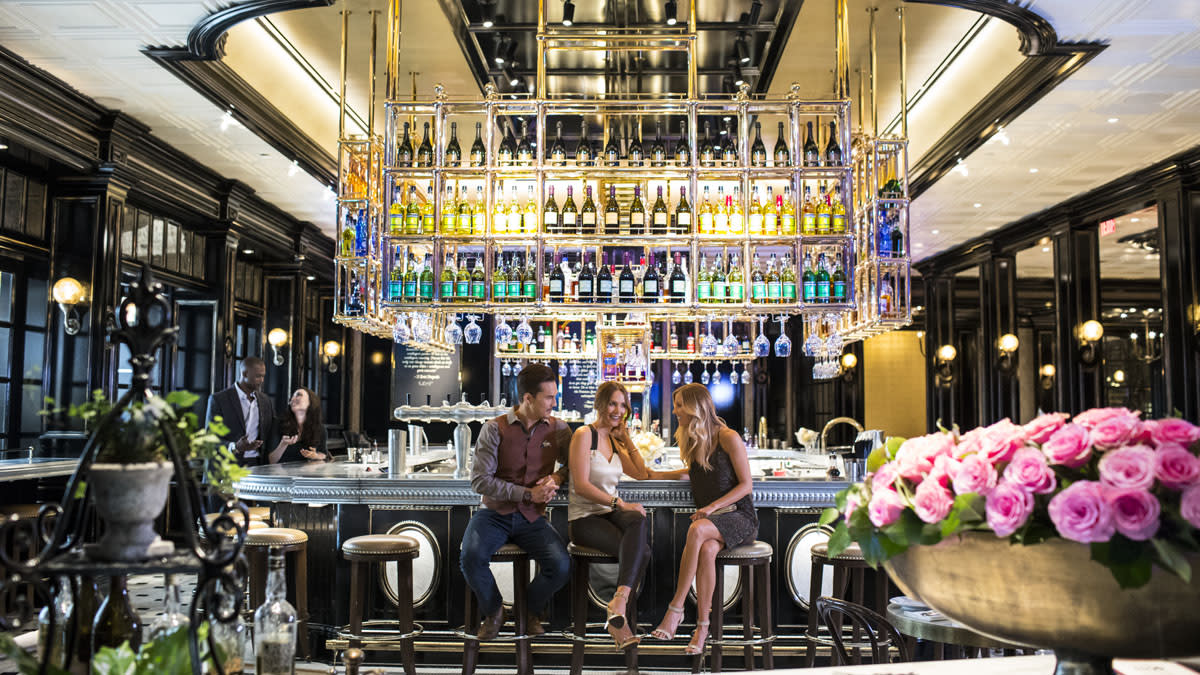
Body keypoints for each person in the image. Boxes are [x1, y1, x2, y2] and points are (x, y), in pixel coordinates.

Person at [568, 381, 688, 649]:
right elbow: (582, 484)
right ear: (600, 403)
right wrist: (620, 503)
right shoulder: (585, 435)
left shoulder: (613, 439)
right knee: (641, 551)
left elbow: (641, 473)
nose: (618, 410)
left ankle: (618, 604)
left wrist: (626, 438)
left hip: (608, 514)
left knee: (637, 519)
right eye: (613, 403)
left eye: (623, 405)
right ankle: (621, 620)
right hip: (584, 519)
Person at [460, 363, 572, 641]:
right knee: (471, 557)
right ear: (527, 399)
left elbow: (574, 466)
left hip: (532, 518)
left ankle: (528, 611)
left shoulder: (559, 429)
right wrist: (526, 494)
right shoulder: (493, 429)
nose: (554, 402)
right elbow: (480, 481)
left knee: (560, 566)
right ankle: (495, 611)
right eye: (548, 397)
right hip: (493, 514)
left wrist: (556, 479)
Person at [651, 383, 757, 655]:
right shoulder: (694, 436)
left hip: (739, 518)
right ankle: (702, 627)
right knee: (707, 549)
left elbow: (746, 485)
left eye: (678, 406)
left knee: (697, 531)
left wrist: (711, 507)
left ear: (694, 407)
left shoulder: (728, 436)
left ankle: (675, 609)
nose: (675, 411)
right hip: (714, 523)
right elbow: (696, 473)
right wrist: (657, 475)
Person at [205, 357, 274, 467]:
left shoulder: (265, 401)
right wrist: (235, 446)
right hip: (226, 465)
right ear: (245, 374)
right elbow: (210, 439)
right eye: (258, 376)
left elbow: (271, 433)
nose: (262, 380)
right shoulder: (219, 400)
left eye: (263, 376)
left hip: (256, 464)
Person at [268, 388, 330, 464]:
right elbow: (271, 460)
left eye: (298, 395)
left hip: (306, 474)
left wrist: (315, 455)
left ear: (311, 402)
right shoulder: (278, 424)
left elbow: (323, 454)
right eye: (292, 396)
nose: (293, 399)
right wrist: (283, 444)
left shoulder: (320, 429)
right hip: (281, 474)